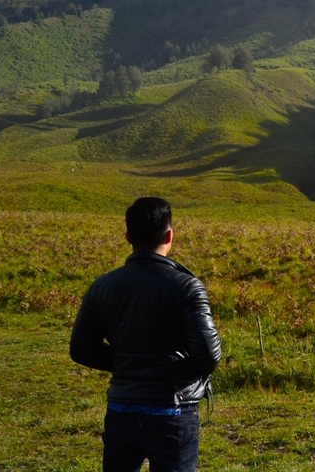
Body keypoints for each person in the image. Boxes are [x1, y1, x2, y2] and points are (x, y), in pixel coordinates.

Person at [70, 197, 221, 472]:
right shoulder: (187, 287)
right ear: (169, 234)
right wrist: (168, 366)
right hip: (172, 410)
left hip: (121, 408)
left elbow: (81, 349)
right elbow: (209, 355)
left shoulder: (101, 286)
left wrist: (129, 362)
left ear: (127, 237)